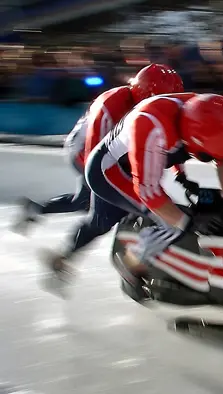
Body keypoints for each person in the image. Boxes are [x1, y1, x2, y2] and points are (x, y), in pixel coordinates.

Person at [36, 63, 185, 297]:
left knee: (132, 205)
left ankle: (74, 254)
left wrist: (180, 171)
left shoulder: (159, 109)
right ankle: (69, 256)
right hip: (88, 154)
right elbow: (94, 157)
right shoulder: (109, 106)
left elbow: (172, 137)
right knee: (100, 215)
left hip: (121, 153)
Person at [85, 92, 223, 300]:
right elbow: (148, 192)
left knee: (184, 212)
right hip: (111, 172)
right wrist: (189, 224)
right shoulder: (152, 128)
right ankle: (130, 265)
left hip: (147, 157)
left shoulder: (209, 111)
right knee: (173, 225)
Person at [13, 112, 91, 234]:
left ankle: (36, 209)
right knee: (87, 202)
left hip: (83, 149)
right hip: (86, 152)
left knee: (85, 202)